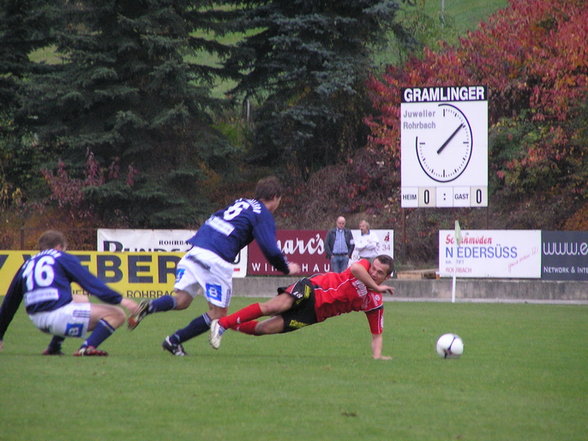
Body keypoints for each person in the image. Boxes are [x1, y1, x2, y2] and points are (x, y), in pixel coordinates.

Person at [128, 176, 300, 356]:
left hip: (196, 250)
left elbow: (215, 218)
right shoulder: (262, 214)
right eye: (279, 200)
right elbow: (270, 249)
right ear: (275, 197)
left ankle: (151, 307)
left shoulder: (241, 202)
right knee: (218, 313)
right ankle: (174, 341)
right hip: (216, 258)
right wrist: (286, 267)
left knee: (182, 300)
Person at [209, 255, 395, 360]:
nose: (374, 272)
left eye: (380, 273)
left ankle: (220, 322)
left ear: (387, 277)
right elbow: (355, 269)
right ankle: (223, 325)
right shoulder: (364, 265)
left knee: (263, 329)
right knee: (275, 306)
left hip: (314, 314)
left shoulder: (375, 302)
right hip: (314, 288)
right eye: (374, 268)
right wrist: (376, 286)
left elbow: (377, 333)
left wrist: (377, 356)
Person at [0, 230, 139, 356]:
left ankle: (54, 347)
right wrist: (122, 300)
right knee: (117, 314)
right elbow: (91, 283)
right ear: (59, 247)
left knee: (81, 298)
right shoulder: (61, 257)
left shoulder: (27, 264)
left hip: (37, 320)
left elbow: (9, 304)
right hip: (58, 317)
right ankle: (86, 347)